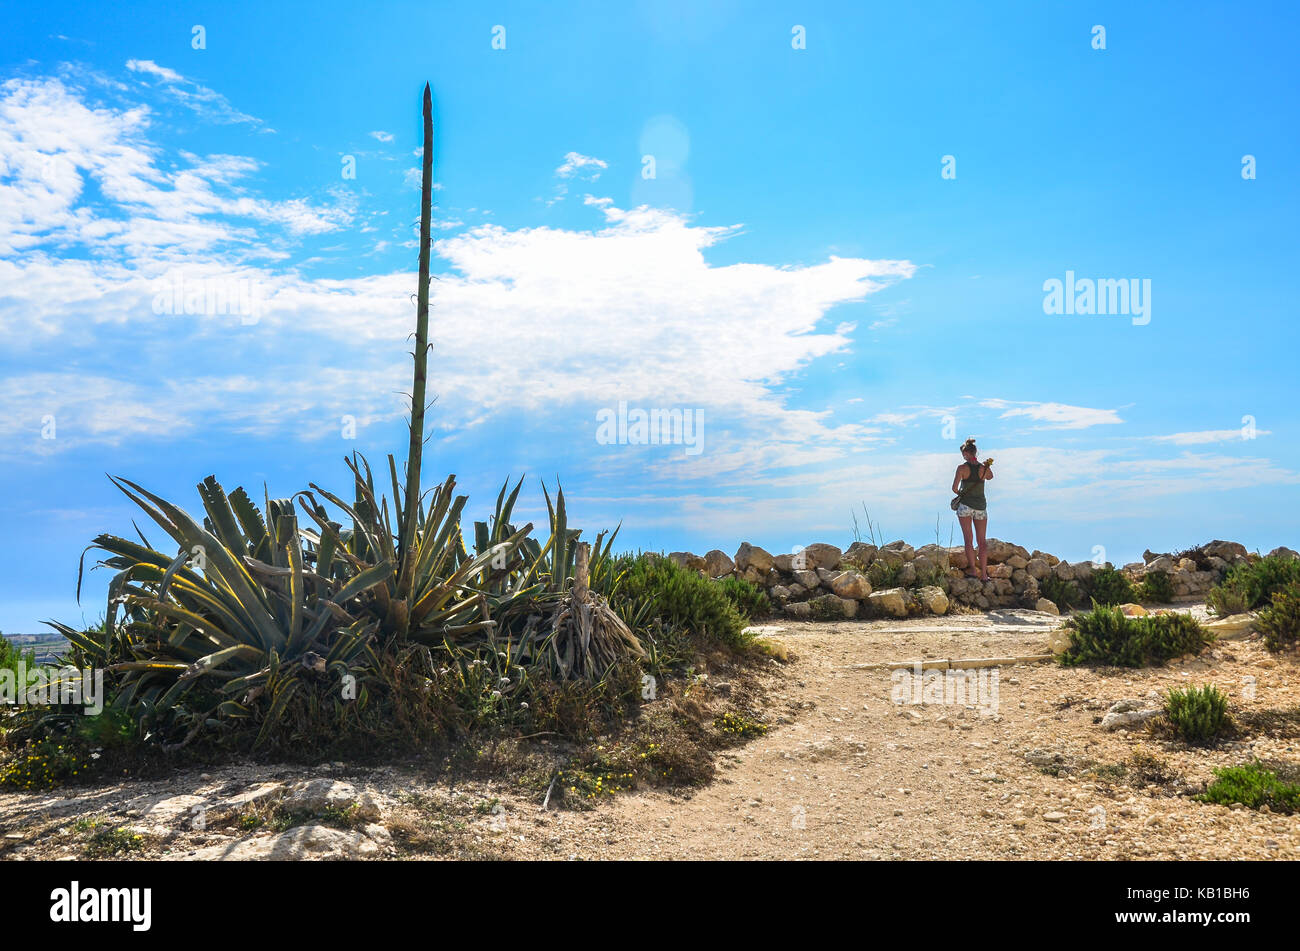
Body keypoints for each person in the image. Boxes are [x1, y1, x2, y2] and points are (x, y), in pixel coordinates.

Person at [951, 437, 994, 581]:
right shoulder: (983, 468)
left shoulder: (962, 468)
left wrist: (962, 493)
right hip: (981, 507)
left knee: (968, 540)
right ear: (975, 452)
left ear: (965, 454)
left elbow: (954, 488)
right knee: (982, 542)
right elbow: (990, 476)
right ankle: (984, 575)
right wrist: (986, 465)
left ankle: (973, 571)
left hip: (965, 507)